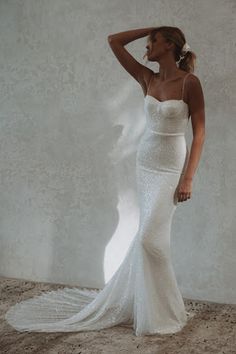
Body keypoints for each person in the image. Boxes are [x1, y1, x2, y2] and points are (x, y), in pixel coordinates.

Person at [5, 26, 205, 336]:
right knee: (151, 238)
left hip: (170, 165)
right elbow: (114, 41)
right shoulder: (147, 78)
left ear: (169, 44)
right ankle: (158, 309)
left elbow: (200, 132)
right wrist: (152, 27)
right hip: (146, 162)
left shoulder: (190, 83)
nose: (147, 47)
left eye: (153, 42)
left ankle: (165, 310)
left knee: (150, 239)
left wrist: (188, 177)